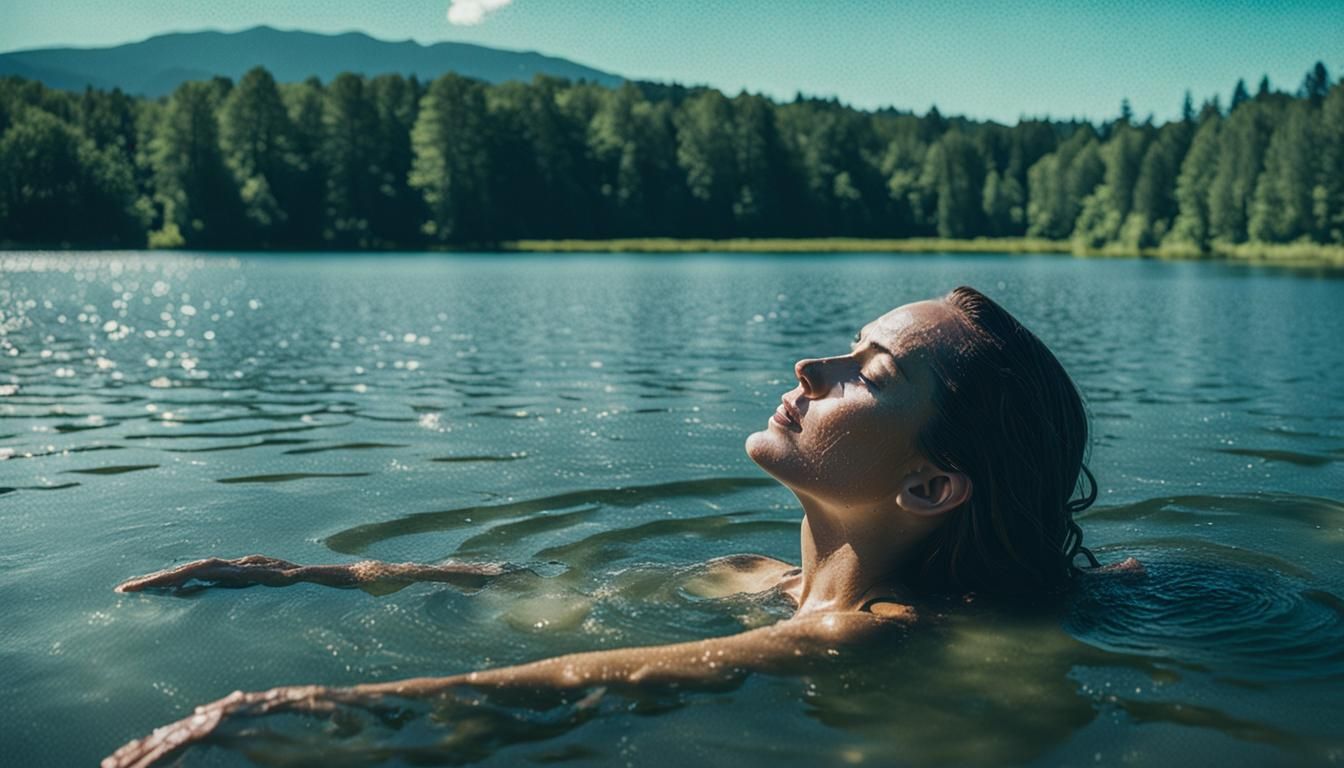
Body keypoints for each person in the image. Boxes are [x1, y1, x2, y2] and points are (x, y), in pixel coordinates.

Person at [104, 286, 1129, 768]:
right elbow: (538, 589)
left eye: (869, 373)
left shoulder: (870, 629)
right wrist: (294, 574)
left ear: (932, 487)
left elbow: (602, 676)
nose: (811, 371)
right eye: (843, 348)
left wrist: (307, 706)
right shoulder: (754, 578)